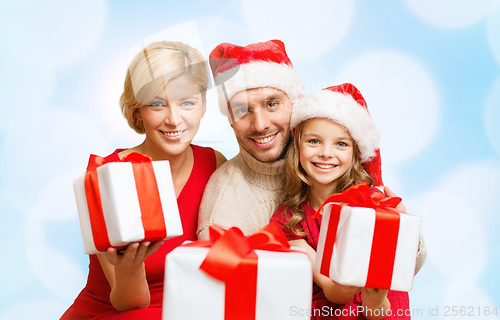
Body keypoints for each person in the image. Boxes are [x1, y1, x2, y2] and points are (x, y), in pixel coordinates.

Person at [61, 41, 226, 319]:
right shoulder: (107, 175)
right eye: (157, 105)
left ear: (203, 105)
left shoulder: (214, 163)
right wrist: (129, 267)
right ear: (138, 111)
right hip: (118, 311)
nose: (174, 119)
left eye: (187, 103)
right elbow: (127, 303)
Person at [271, 83, 416, 320]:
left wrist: (377, 299)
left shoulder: (376, 208)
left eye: (341, 144)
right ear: (297, 146)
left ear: (355, 153)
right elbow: (335, 293)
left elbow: (385, 310)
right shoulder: (289, 220)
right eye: (314, 141)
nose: (326, 153)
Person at [197, 39, 303, 239]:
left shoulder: (325, 164)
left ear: (294, 103)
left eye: (272, 104)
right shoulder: (222, 216)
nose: (260, 125)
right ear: (230, 119)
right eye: (242, 110)